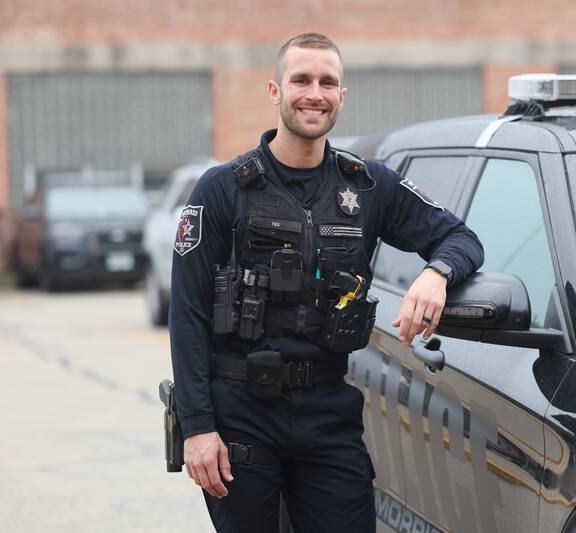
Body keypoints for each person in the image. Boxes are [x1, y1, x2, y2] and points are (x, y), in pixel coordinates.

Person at [169, 32, 484, 533]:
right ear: (275, 91)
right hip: (241, 413)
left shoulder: (369, 185)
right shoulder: (222, 189)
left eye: (327, 82)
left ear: (341, 96)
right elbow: (186, 315)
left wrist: (437, 273)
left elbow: (461, 238)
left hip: (327, 413)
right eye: (301, 80)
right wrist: (197, 427)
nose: (314, 93)